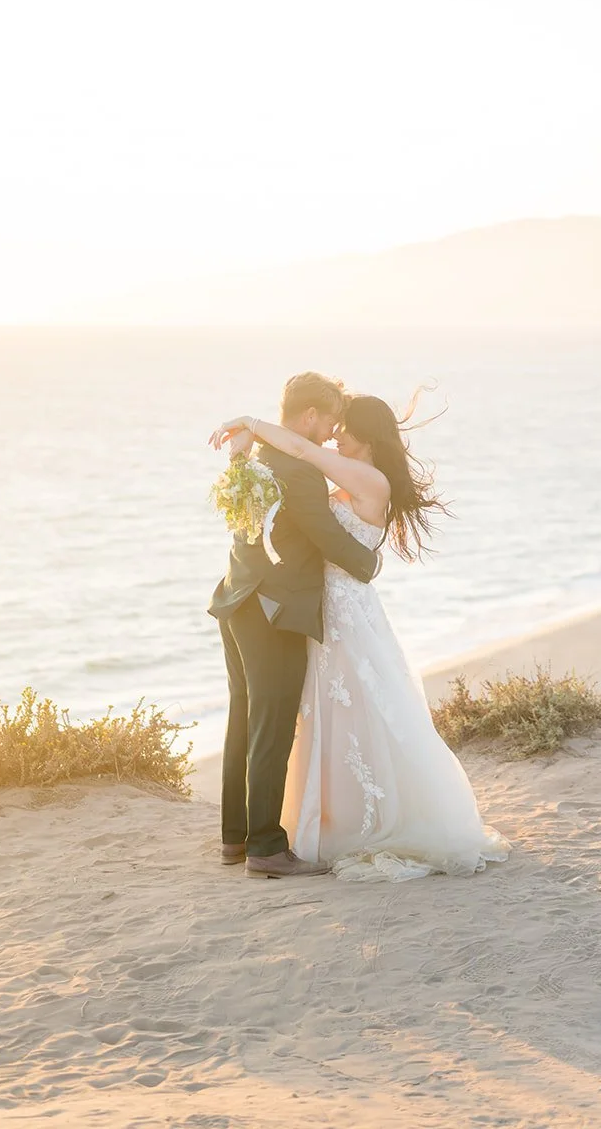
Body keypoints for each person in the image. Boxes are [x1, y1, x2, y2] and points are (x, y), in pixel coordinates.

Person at [211, 391, 508, 881]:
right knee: (327, 717)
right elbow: (303, 482)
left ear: (365, 436)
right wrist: (250, 441)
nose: (336, 434)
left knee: (357, 711)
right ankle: (307, 823)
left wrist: (251, 421)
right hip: (325, 607)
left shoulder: (369, 478)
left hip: (345, 611)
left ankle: (333, 825)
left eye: (344, 427)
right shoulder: (351, 474)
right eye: (334, 424)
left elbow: (305, 455)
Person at [208, 371, 382, 879]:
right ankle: (265, 846)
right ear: (309, 416)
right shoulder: (298, 471)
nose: (331, 433)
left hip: (236, 599)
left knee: (244, 719)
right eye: (329, 421)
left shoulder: (260, 458)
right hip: (272, 611)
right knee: (273, 722)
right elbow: (326, 535)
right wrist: (369, 564)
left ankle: (234, 838)